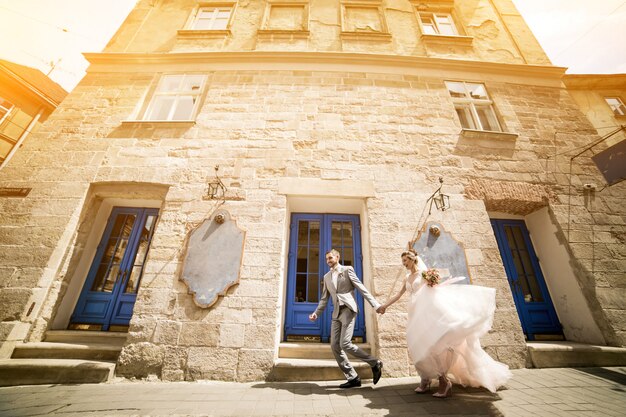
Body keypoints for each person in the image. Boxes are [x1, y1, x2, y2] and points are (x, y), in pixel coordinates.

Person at [379, 248, 512, 398]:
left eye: (405, 261)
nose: (403, 264)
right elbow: (398, 294)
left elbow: (436, 293)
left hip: (427, 314)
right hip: (414, 314)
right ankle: (425, 379)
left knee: (433, 345)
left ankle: (444, 382)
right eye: (402, 261)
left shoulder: (424, 275)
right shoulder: (406, 278)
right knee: (417, 344)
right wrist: (385, 306)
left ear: (413, 259)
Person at [309, 248, 385, 388]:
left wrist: (375, 305)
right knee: (334, 346)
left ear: (337, 257)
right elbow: (324, 299)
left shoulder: (347, 270)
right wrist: (316, 313)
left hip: (348, 310)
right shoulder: (326, 277)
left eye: (330, 258)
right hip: (336, 313)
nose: (328, 261)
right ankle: (353, 377)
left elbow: (361, 288)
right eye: (326, 259)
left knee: (345, 343)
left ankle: (374, 362)